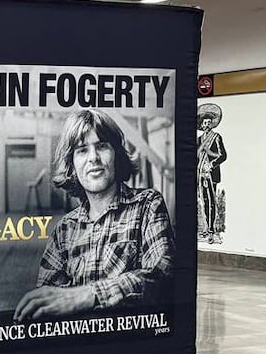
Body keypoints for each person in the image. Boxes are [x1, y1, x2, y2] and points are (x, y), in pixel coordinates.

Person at [14, 109, 175, 322]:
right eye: (82, 150)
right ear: (72, 165)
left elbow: (163, 275)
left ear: (116, 154)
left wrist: (87, 296)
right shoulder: (65, 230)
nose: (94, 158)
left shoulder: (147, 206)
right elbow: (48, 301)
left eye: (101, 146)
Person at [198, 104, 227, 245]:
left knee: (211, 201)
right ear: (202, 125)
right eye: (205, 122)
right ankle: (205, 227)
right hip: (200, 174)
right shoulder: (199, 140)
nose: (207, 124)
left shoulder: (216, 137)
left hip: (210, 174)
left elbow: (222, 156)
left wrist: (211, 164)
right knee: (203, 201)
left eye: (209, 122)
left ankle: (211, 230)